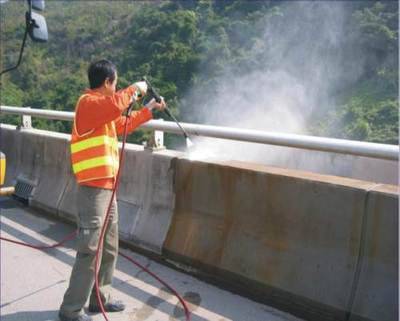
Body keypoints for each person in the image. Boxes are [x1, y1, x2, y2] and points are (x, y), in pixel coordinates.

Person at [59, 59, 165, 321]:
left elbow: (121, 124)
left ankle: (99, 299)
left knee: (109, 248)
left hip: (107, 188)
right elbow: (117, 103)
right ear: (107, 83)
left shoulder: (103, 111)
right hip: (93, 191)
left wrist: (148, 110)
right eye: (115, 83)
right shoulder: (88, 103)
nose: (116, 87)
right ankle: (71, 309)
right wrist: (136, 89)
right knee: (89, 250)